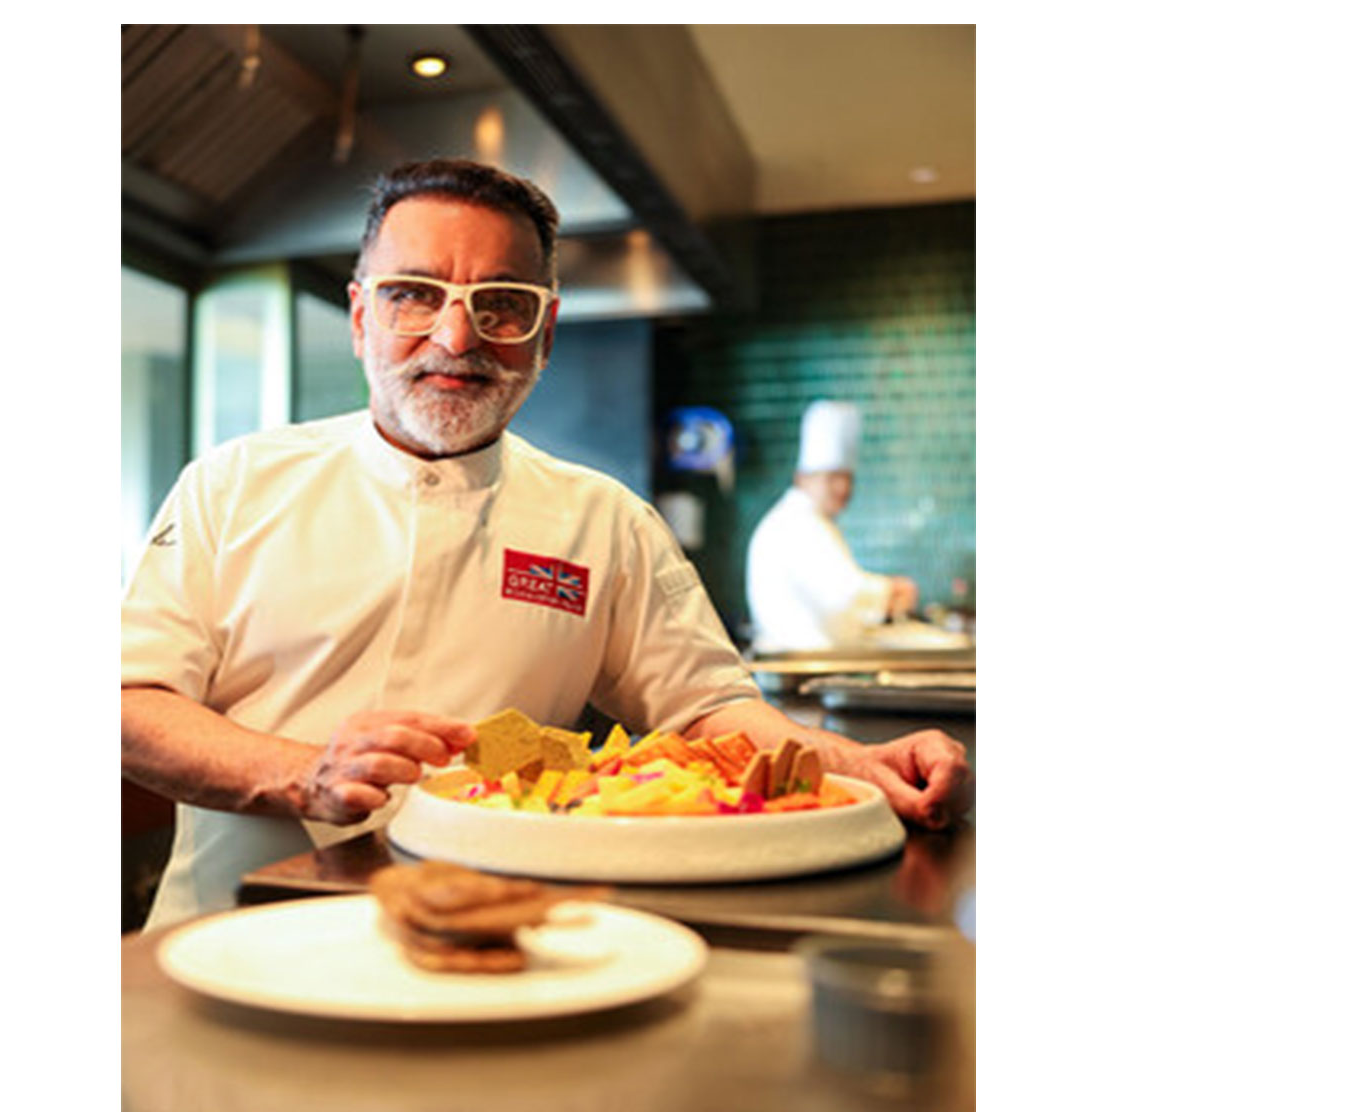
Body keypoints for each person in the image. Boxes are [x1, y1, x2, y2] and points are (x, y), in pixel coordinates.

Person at [122, 159, 969, 930]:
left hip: (504, 939)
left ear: (546, 331)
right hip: (231, 934)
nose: (456, 339)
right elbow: (128, 700)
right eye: (413, 294)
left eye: (502, 304)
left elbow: (709, 709)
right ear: (359, 316)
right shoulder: (234, 485)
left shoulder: (604, 522)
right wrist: (305, 773)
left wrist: (859, 763)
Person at [745, 400, 921, 653]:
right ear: (802, 478)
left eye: (848, 478)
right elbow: (844, 594)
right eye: (832, 478)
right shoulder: (796, 523)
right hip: (798, 668)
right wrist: (891, 591)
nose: (843, 489)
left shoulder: (809, 519)